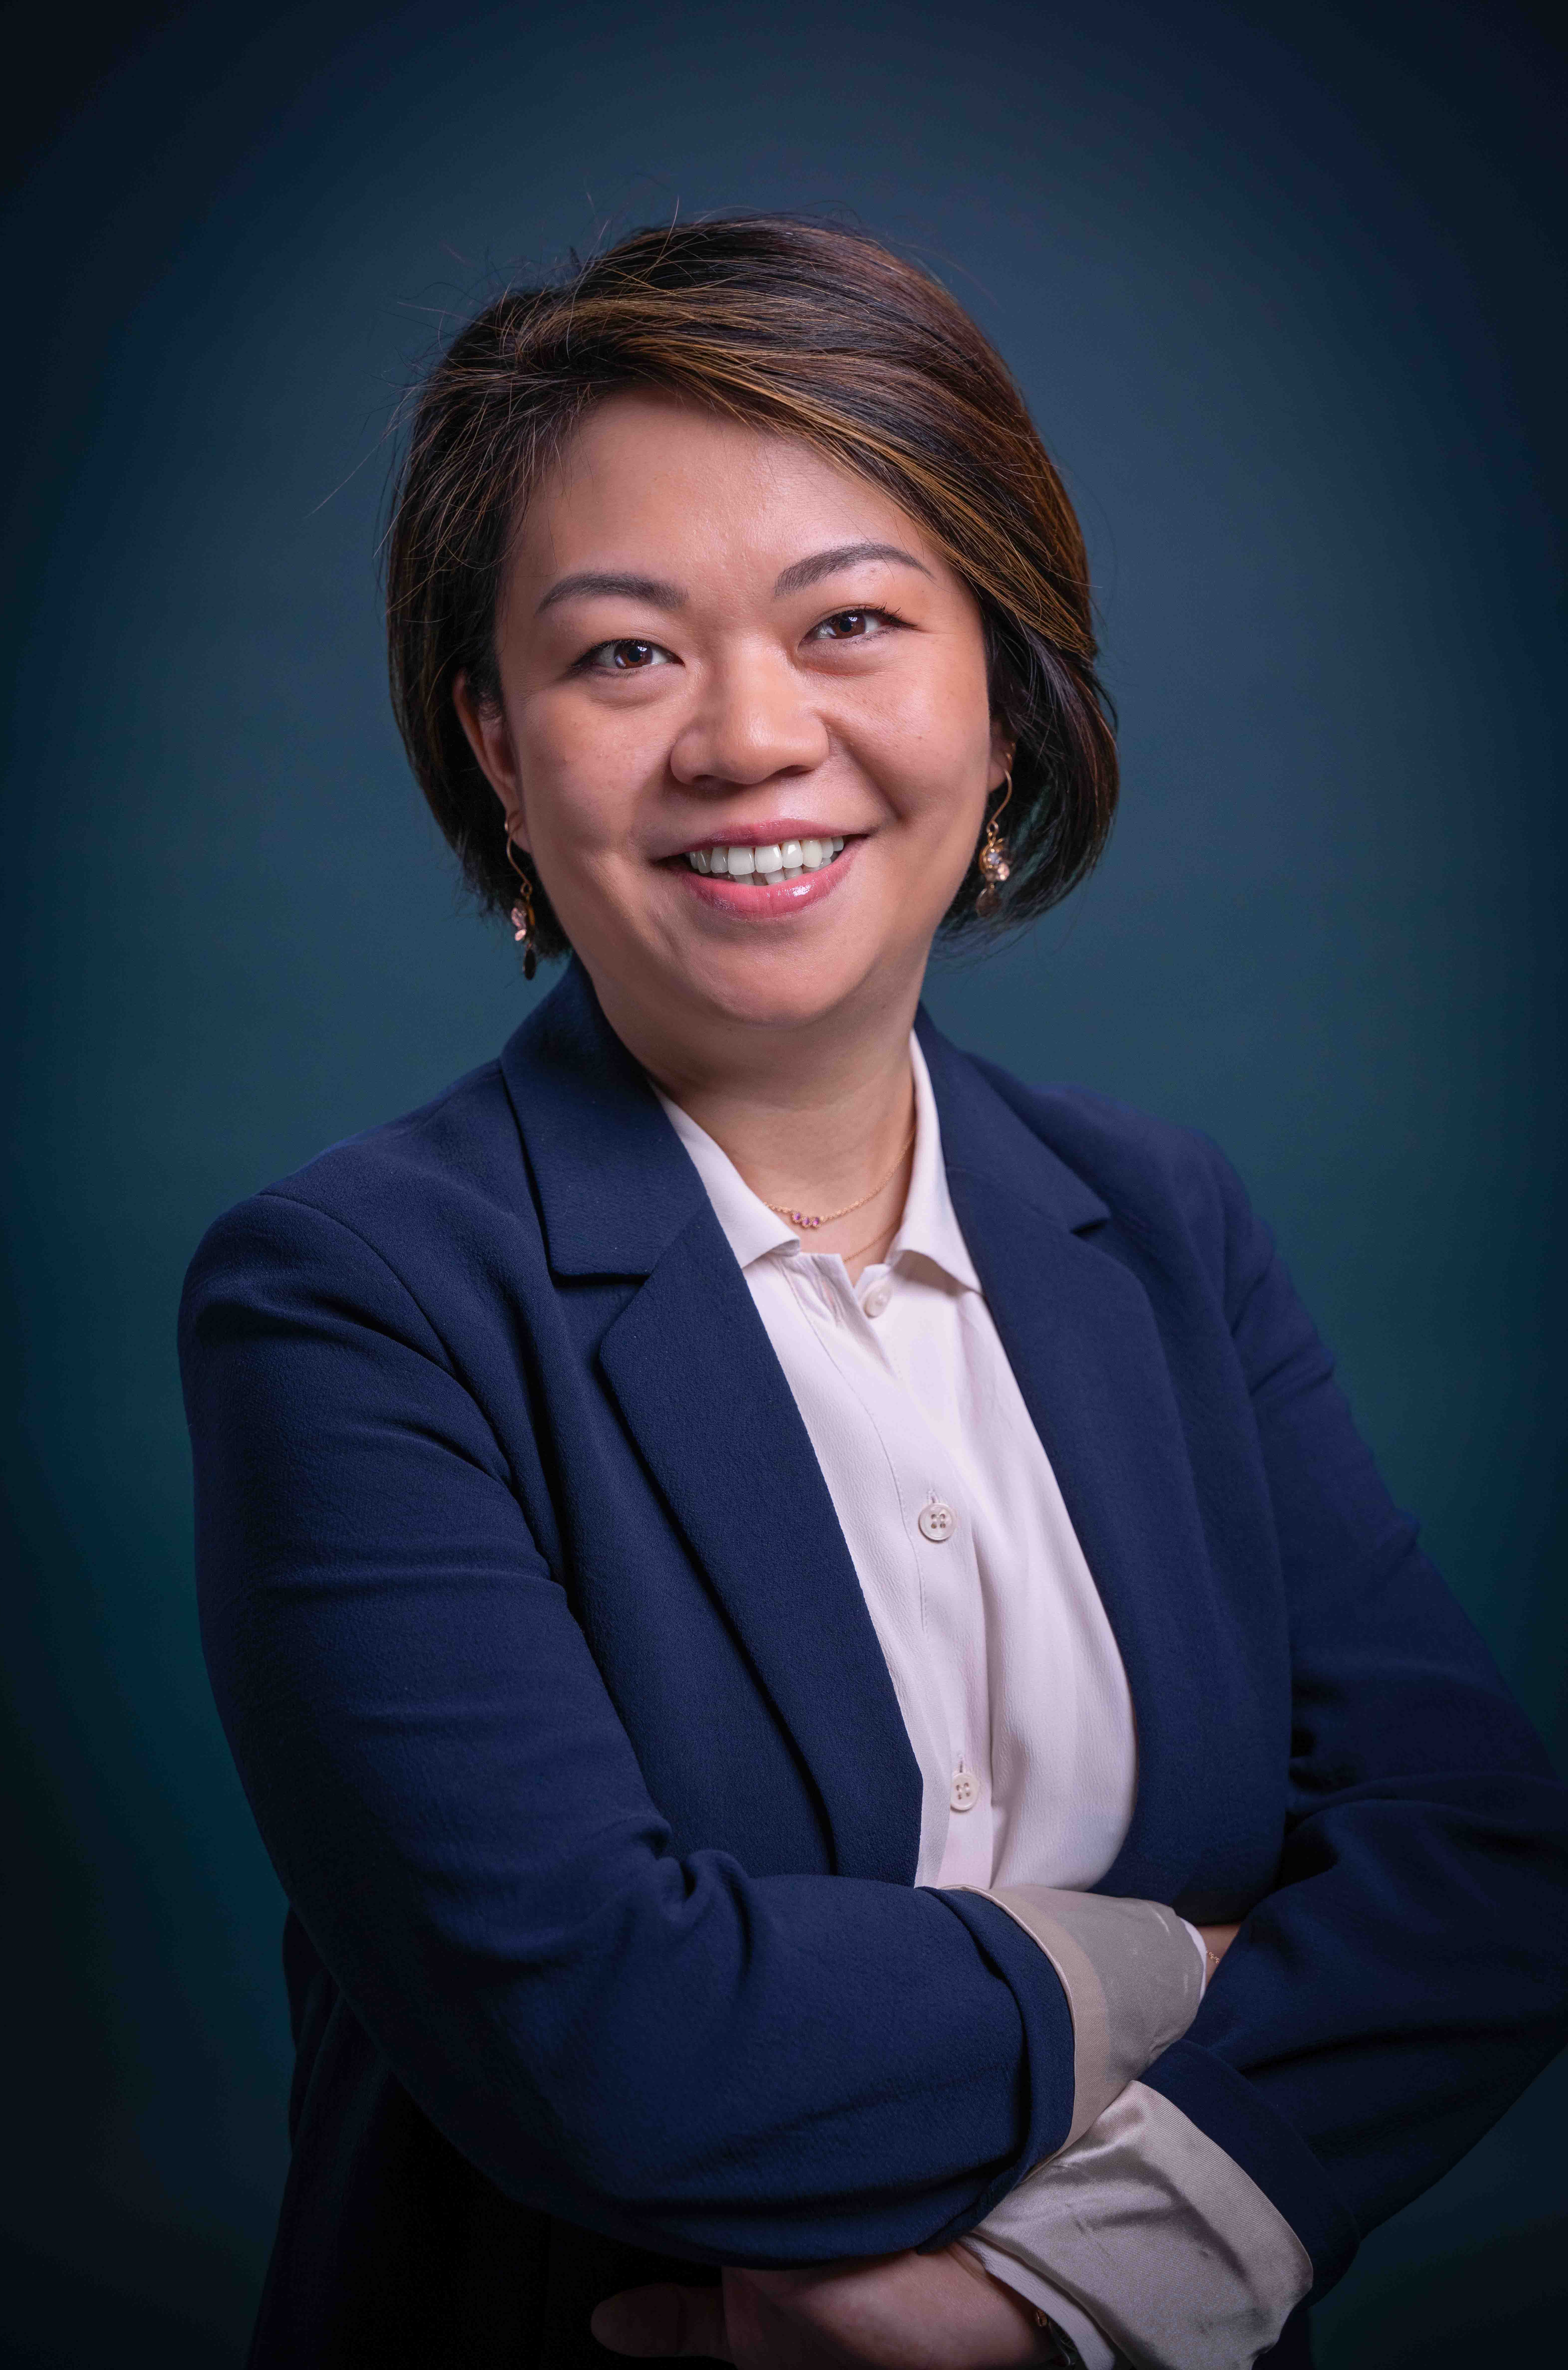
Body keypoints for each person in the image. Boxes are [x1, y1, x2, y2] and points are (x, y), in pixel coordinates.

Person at [180, 217, 1568, 2370]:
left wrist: (1051, 2301)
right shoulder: (351, 1299)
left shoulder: (1162, 1222)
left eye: (851, 623)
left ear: (1002, 702)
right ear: (497, 751)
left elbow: (1484, 1872)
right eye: (623, 655)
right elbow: (613, 2047)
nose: (749, 737)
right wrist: (1181, 1976)